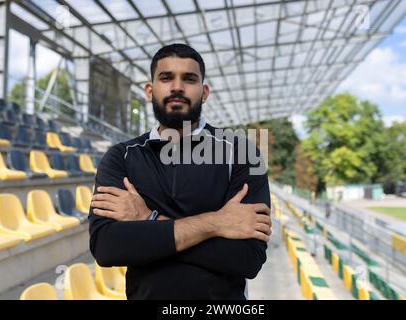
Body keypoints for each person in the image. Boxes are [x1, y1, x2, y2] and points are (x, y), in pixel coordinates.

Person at [89, 43, 272, 300]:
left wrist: (148, 220)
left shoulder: (241, 153)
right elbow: (107, 247)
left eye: (189, 78)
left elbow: (247, 259)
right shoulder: (122, 157)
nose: (177, 86)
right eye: (166, 78)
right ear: (150, 91)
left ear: (204, 91)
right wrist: (217, 223)